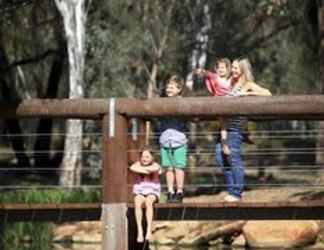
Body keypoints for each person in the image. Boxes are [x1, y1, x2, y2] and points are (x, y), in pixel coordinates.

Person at [216, 58, 272, 202]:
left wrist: (248, 94)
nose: (233, 70)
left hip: (235, 129)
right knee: (221, 158)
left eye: (235, 68)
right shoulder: (230, 84)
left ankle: (237, 193)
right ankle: (231, 190)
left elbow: (268, 94)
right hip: (224, 129)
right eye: (232, 68)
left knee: (234, 159)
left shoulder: (248, 85)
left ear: (242, 70)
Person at [159, 74, 188, 203]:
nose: (169, 89)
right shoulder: (162, 102)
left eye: (172, 87)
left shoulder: (183, 102)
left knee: (179, 167)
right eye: (167, 87)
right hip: (165, 140)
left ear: (179, 89)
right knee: (168, 168)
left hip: (179, 141)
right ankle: (170, 191)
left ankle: (180, 191)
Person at [194, 58, 232, 155]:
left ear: (228, 69)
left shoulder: (231, 80)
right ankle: (224, 144)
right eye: (218, 67)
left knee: (230, 124)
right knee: (223, 125)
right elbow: (208, 74)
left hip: (231, 104)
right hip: (219, 104)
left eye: (223, 67)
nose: (221, 69)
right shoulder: (216, 77)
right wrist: (201, 71)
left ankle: (228, 142)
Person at [129, 147, 161, 242]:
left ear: (152, 158)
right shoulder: (137, 164)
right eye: (143, 156)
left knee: (148, 201)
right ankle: (140, 230)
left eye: (147, 156)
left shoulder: (156, 165)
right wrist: (144, 169)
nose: (144, 159)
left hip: (152, 192)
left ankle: (148, 230)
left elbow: (154, 169)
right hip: (140, 192)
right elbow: (132, 167)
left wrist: (141, 169)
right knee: (137, 201)